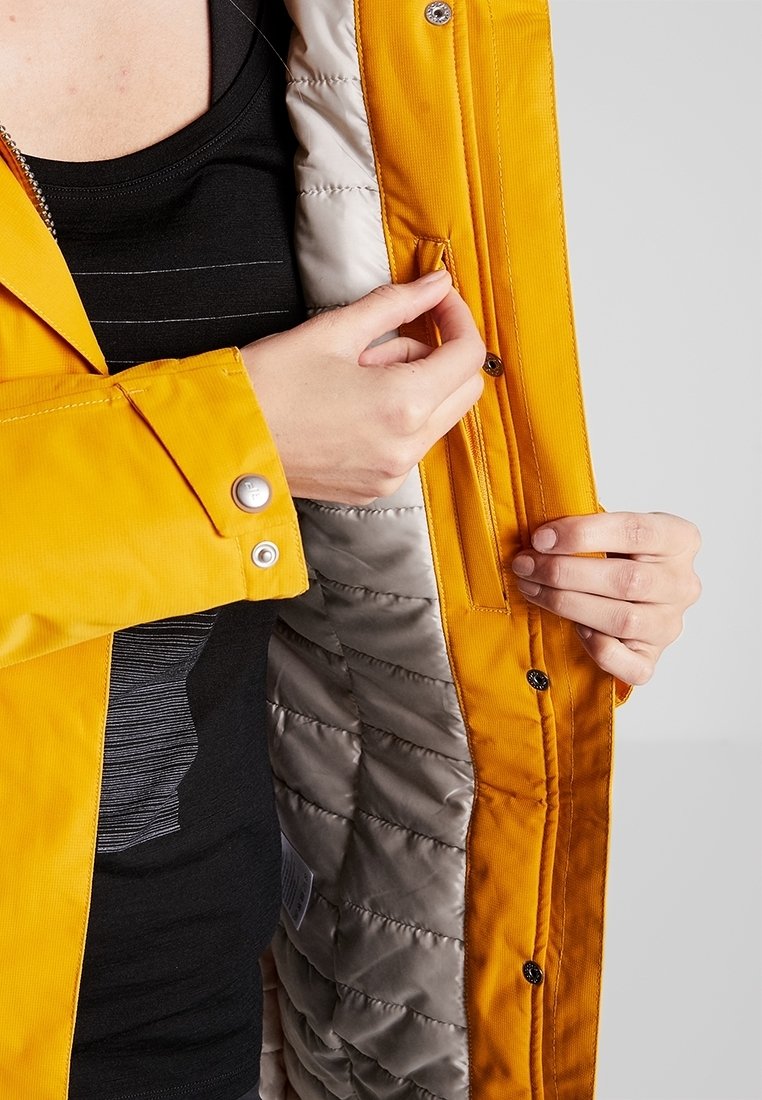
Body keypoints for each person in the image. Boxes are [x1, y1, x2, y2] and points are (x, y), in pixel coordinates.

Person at [0, 2, 701, 1099]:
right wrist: (230, 449)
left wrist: (568, 594)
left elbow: (363, 515)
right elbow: (262, 449)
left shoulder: (376, 27)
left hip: (209, 1018)